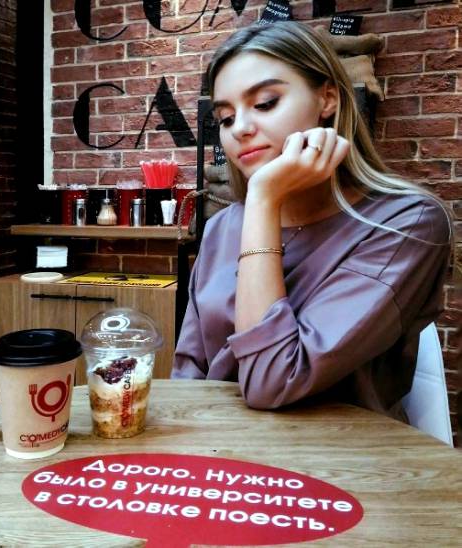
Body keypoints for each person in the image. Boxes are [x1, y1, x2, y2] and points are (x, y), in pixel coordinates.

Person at [171, 21, 452, 422]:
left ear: (328, 99)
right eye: (226, 118)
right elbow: (189, 372)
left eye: (265, 103)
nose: (241, 130)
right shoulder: (222, 228)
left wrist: (264, 199)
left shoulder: (407, 224)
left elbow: (273, 381)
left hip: (340, 454)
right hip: (219, 447)